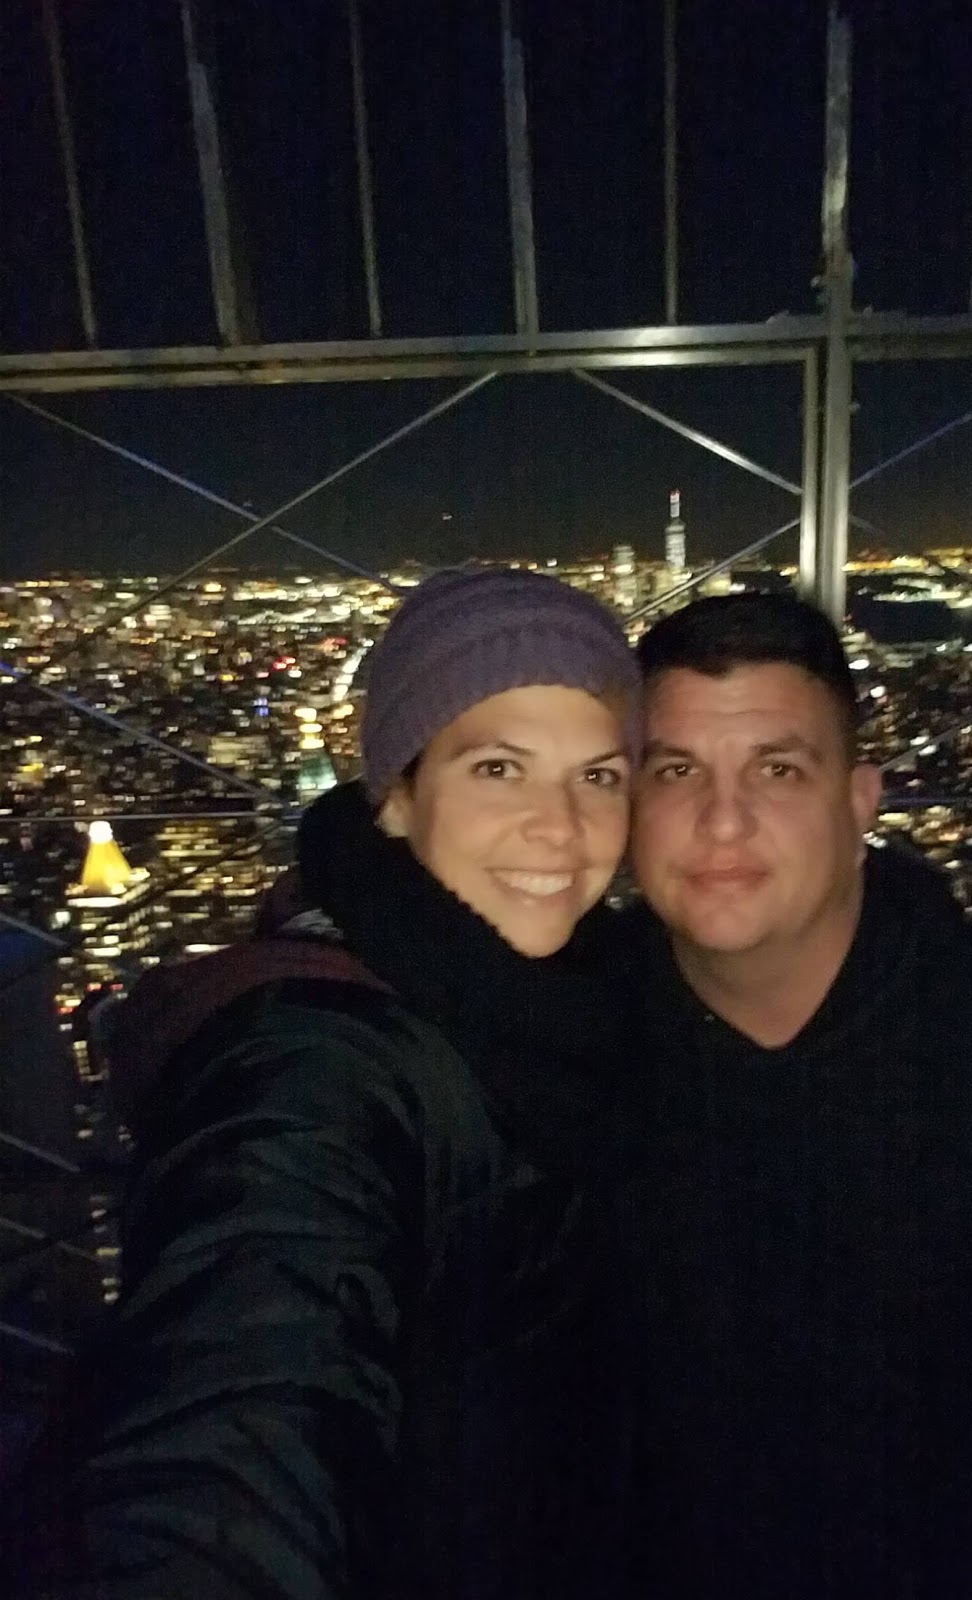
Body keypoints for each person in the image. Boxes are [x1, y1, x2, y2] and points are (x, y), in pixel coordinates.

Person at [15, 568, 641, 1600]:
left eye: (600, 775)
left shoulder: (581, 1000)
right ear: (396, 794)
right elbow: (241, 1392)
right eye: (499, 767)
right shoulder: (314, 1057)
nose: (561, 826)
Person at [616, 591, 972, 1599]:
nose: (722, 818)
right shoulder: (575, 1027)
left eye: (778, 769)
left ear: (860, 803)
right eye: (676, 771)